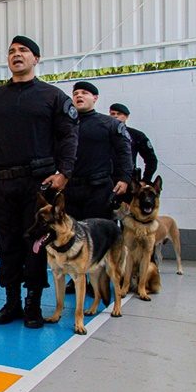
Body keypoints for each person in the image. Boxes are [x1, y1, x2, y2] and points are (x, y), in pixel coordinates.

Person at [0, 35, 79, 329]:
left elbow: (68, 137)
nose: (16, 55)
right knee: (7, 245)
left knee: (34, 244)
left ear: (36, 59)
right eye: (11, 52)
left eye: (23, 51)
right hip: (3, 184)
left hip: (38, 186)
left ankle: (32, 304)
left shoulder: (53, 97)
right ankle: (12, 302)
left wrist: (64, 172)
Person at [63, 82, 133, 296]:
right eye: (75, 93)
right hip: (72, 189)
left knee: (98, 236)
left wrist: (124, 178)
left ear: (95, 98)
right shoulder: (65, 125)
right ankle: (76, 277)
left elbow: (124, 152)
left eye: (84, 93)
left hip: (99, 188)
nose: (79, 96)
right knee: (73, 236)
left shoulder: (109, 124)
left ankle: (99, 282)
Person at [109, 103, 158, 182]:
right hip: (107, 180)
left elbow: (151, 160)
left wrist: (145, 180)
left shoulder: (136, 135)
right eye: (112, 114)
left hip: (129, 181)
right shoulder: (103, 134)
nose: (115, 116)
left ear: (126, 116)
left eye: (119, 114)